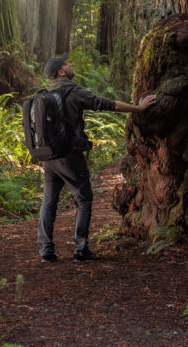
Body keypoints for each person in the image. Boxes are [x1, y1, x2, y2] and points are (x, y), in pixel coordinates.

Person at [37, 53, 157, 263]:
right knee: (84, 199)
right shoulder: (73, 93)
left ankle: (46, 250)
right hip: (70, 156)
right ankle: (81, 249)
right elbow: (108, 104)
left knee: (48, 201)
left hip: (49, 156)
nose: (70, 63)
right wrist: (139, 108)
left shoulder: (44, 94)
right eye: (67, 63)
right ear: (61, 72)